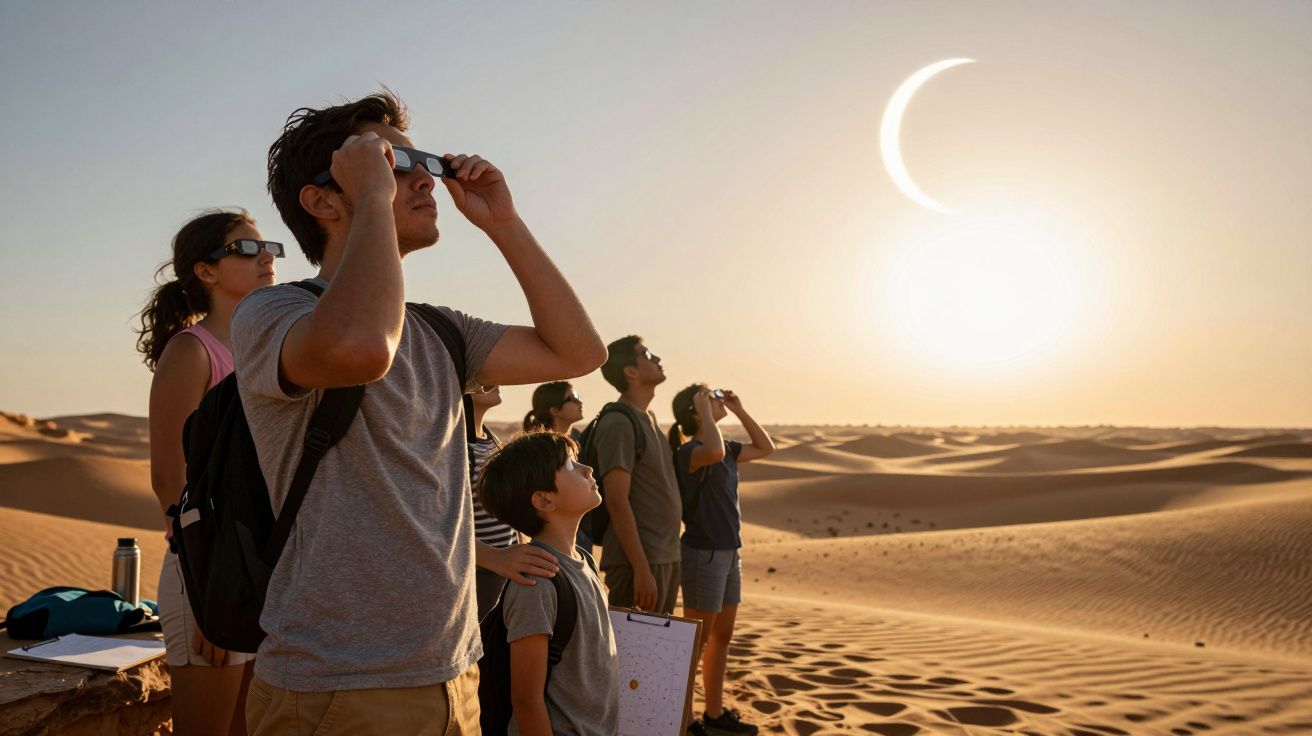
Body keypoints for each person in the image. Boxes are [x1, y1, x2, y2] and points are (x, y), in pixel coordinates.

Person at [234, 91, 605, 734]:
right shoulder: (273, 314)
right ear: (325, 200)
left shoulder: (441, 332)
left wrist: (504, 223)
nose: (422, 177)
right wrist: (375, 196)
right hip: (338, 689)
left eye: (420, 162)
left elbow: (578, 351)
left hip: (452, 675)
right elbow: (358, 348)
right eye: (389, 161)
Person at [136, 209, 282, 736]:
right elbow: (168, 480)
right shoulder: (192, 352)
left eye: (269, 247)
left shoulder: (269, 352)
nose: (267, 257)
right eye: (247, 248)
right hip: (210, 571)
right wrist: (213, 597)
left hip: (269, 575)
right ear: (206, 271)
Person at [477, 431, 619, 736]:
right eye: (571, 466)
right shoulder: (538, 582)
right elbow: (526, 702)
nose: (587, 469)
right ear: (543, 500)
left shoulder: (584, 561)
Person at [668, 385, 773, 735]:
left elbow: (765, 447)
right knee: (696, 642)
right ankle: (682, 721)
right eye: (710, 395)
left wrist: (739, 410)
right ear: (697, 409)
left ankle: (714, 716)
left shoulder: (726, 449)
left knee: (722, 636)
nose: (718, 397)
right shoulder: (691, 452)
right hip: (703, 553)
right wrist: (703, 406)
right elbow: (711, 451)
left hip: (729, 553)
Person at [593, 336, 682, 614]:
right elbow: (617, 501)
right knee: (634, 657)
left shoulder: (650, 420)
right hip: (639, 564)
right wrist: (641, 570)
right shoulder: (619, 423)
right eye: (647, 354)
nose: (657, 359)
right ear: (630, 372)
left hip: (664, 556)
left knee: (660, 656)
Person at [468, 384, 561, 620]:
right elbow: (435, 524)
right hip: (476, 575)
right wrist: (494, 558)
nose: (495, 380)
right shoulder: (454, 445)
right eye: (481, 376)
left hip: (505, 571)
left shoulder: (492, 439)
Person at [523, 381, 590, 548]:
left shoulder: (576, 438)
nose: (579, 402)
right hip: (552, 533)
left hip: (580, 530)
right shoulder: (539, 448)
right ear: (554, 410)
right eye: (573, 398)